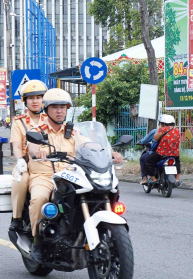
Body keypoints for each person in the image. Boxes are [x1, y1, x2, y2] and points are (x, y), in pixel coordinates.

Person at [26, 88, 123, 262]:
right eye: (55, 107)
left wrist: (111, 153)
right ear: (47, 109)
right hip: (44, 174)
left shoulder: (73, 131)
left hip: (69, 174)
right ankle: (37, 242)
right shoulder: (38, 130)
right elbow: (32, 148)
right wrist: (38, 152)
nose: (59, 111)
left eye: (63, 107)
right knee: (39, 199)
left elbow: (90, 145)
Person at [9, 80, 48, 232]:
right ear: (25, 101)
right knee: (21, 179)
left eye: (39, 97)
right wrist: (20, 161)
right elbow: (17, 146)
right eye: (31, 98)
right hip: (26, 164)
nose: (35, 101)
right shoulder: (19, 122)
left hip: (47, 164)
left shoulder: (50, 119)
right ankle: (17, 217)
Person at [145, 114, 181, 186]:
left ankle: (153, 178)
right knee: (177, 163)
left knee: (148, 160)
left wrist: (160, 128)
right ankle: (177, 178)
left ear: (163, 123)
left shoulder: (162, 129)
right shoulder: (177, 130)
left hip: (162, 153)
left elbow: (155, 138)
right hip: (174, 153)